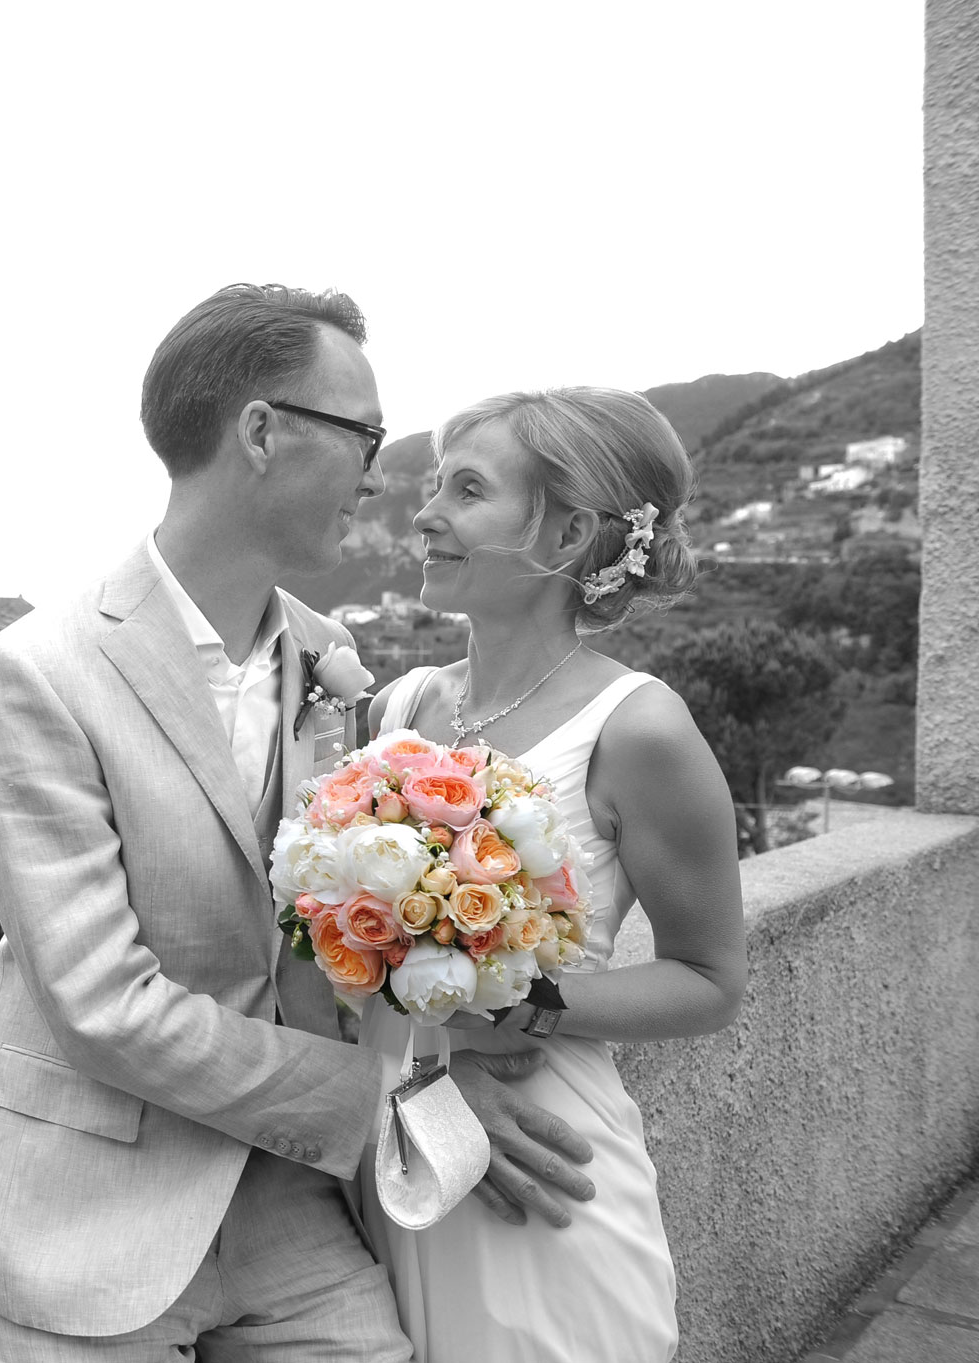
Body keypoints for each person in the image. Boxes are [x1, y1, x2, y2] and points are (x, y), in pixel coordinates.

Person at [0, 284, 596, 1362]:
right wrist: (395, 1099)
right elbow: (102, 1005)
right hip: (89, 1214)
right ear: (259, 431)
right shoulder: (35, 672)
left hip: (291, 1203)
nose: (379, 476)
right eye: (365, 438)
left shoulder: (328, 656)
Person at [360, 386, 748, 1362]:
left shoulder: (639, 727)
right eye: (432, 486)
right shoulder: (400, 706)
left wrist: (525, 1005)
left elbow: (709, 980)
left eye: (466, 490)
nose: (424, 514)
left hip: (540, 1154)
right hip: (399, 1139)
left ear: (567, 533)